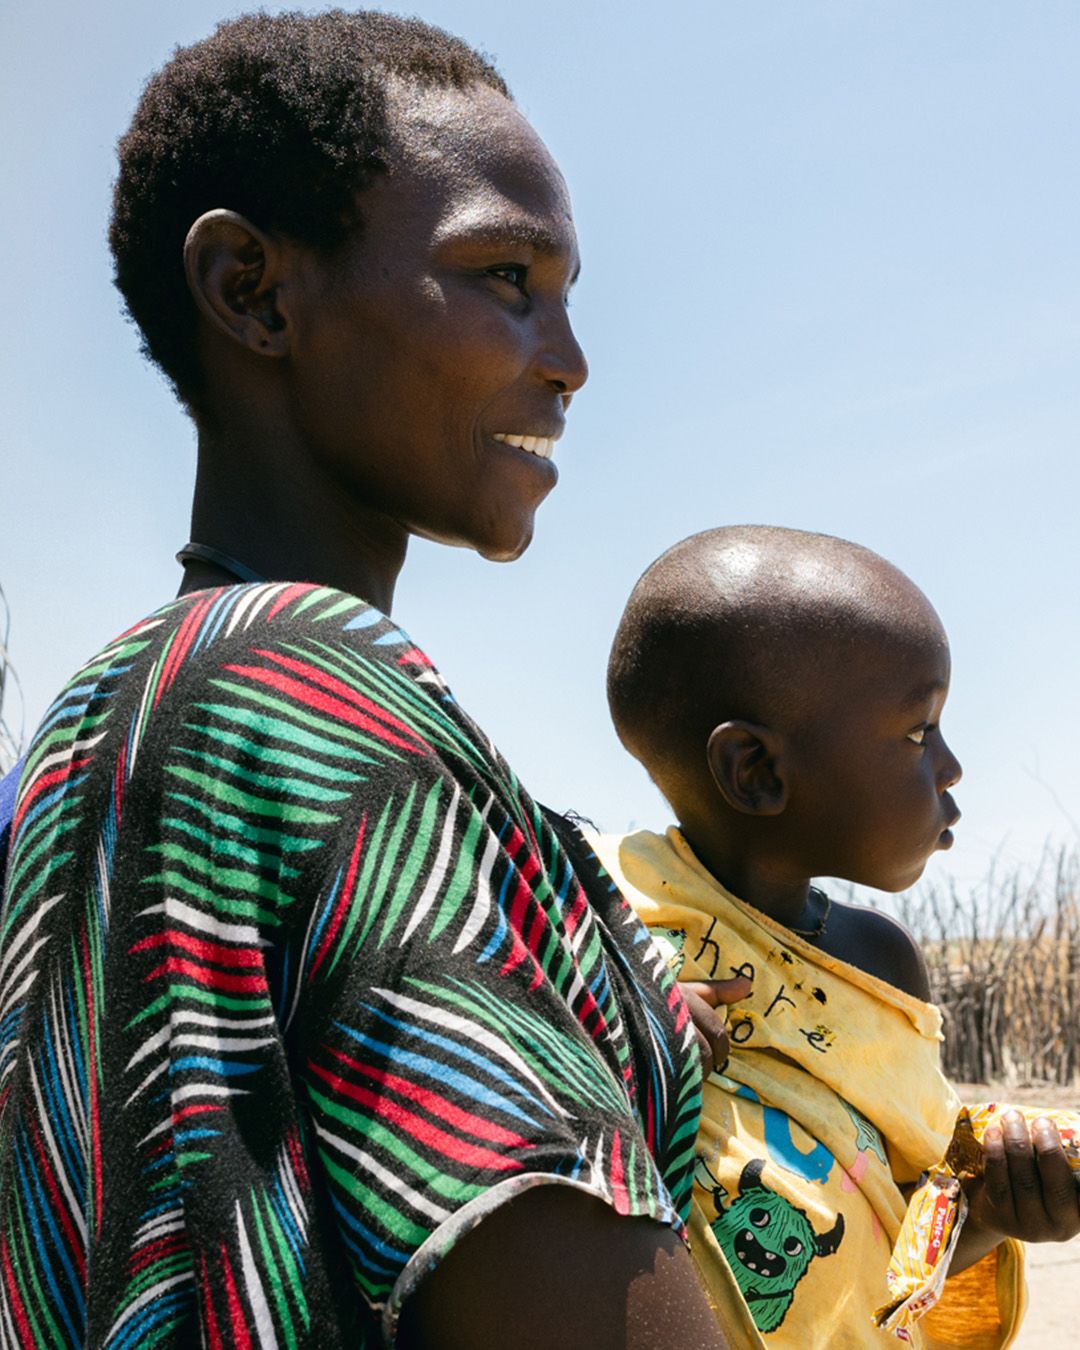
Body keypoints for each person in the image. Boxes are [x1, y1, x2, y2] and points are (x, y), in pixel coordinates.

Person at [0, 14, 742, 1348]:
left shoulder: (93, 721)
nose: (570, 356)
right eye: (507, 274)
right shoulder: (319, 701)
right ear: (255, 291)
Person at [592, 524, 1080, 1348]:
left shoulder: (880, 964)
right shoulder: (598, 923)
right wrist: (623, 1012)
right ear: (758, 771)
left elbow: (899, 1242)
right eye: (920, 733)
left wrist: (993, 1210)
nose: (952, 767)